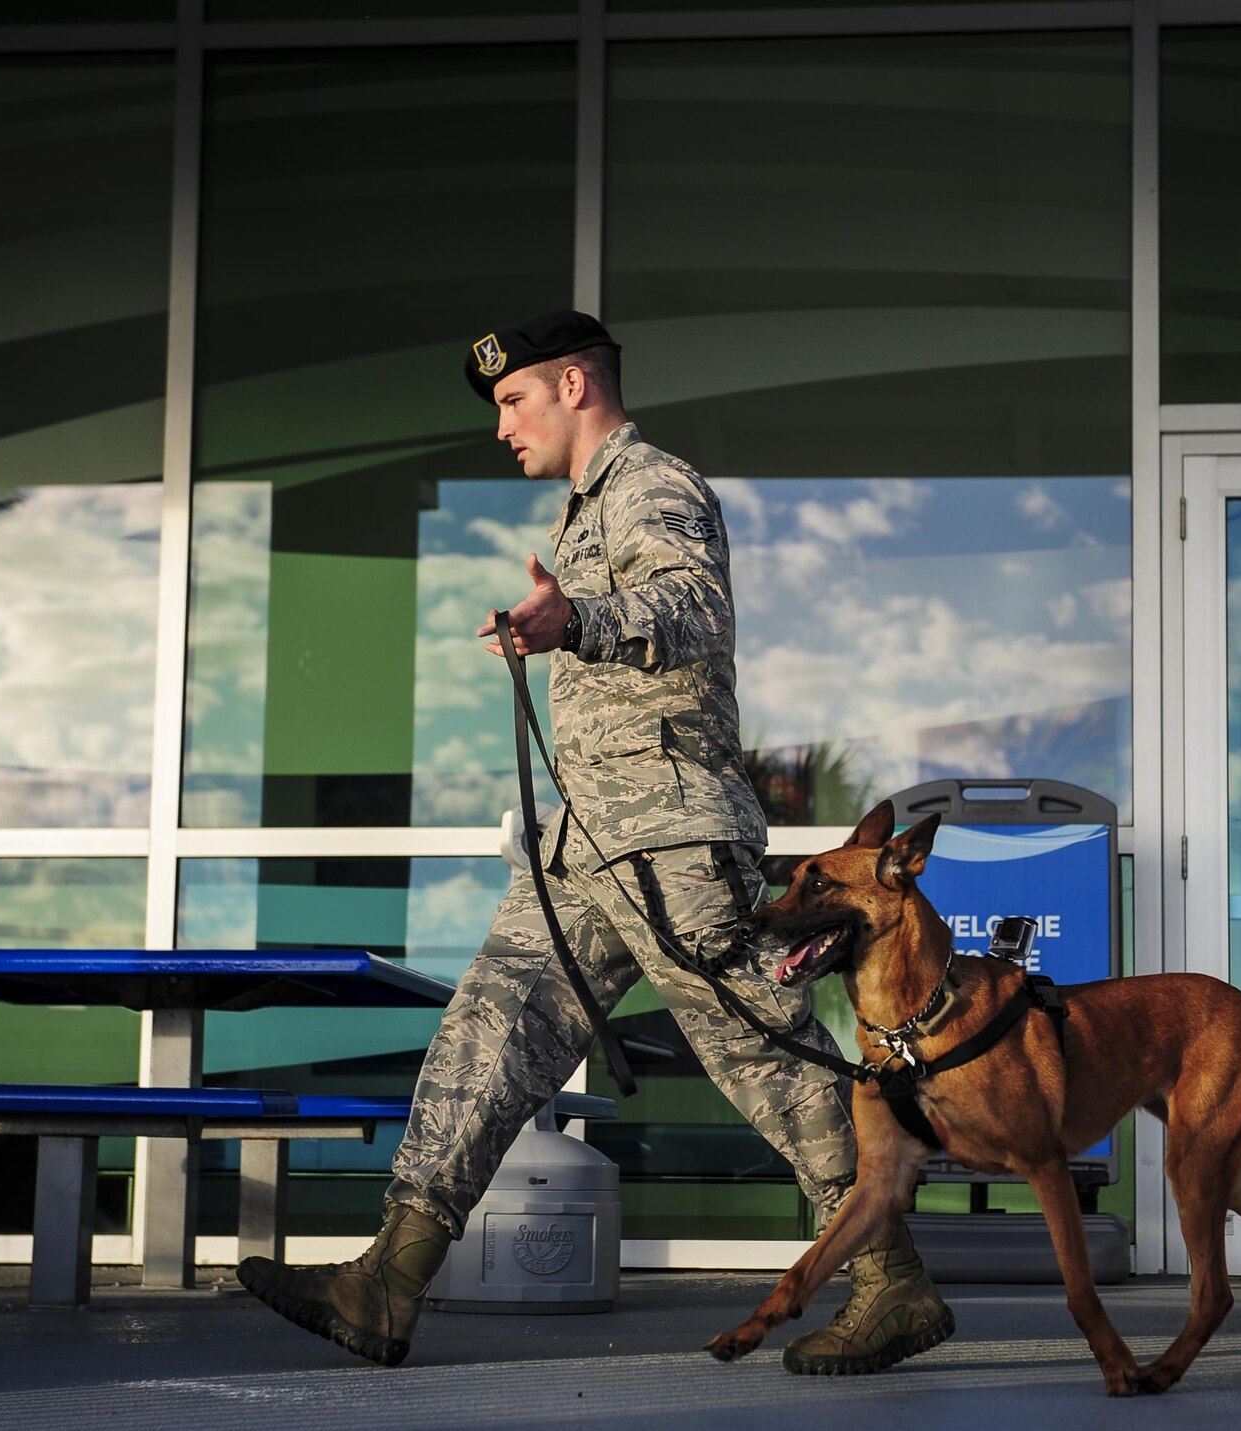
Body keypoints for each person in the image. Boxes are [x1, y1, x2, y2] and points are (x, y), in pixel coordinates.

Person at [237, 311, 954, 1373]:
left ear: (574, 384)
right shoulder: (586, 507)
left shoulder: (652, 484)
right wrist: (555, 621)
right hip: (588, 846)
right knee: (487, 1033)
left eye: (512, 400)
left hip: (666, 838)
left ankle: (891, 1282)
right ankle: (387, 1280)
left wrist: (571, 619)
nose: (500, 429)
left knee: (766, 1053)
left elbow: (689, 606)